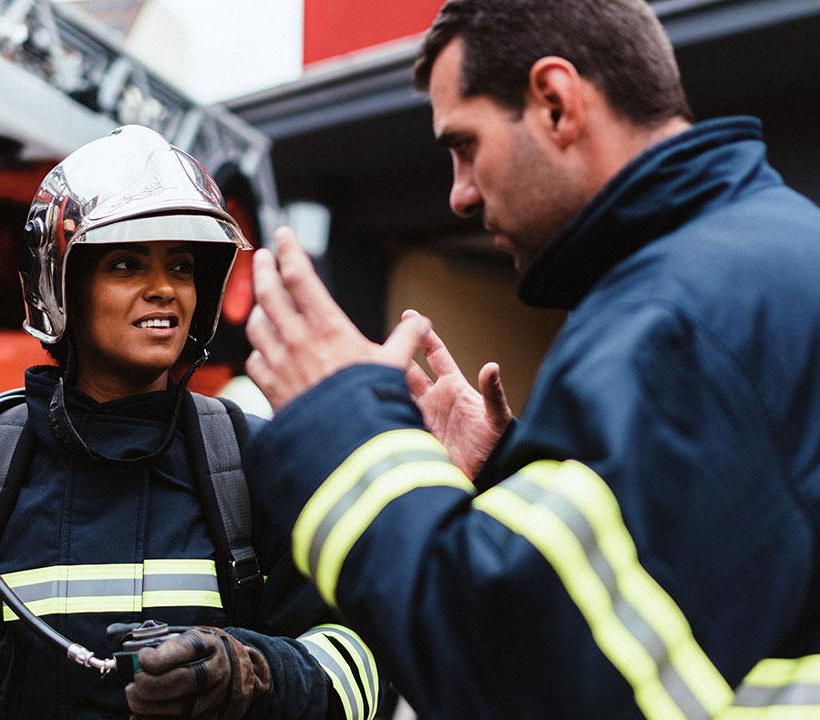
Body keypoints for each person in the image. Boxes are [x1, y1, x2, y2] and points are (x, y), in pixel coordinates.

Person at [240, 0, 820, 718]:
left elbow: (515, 677)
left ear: (555, 101)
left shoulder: (680, 320)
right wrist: (498, 486)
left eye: (465, 145)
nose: (459, 194)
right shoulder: (761, 261)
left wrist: (343, 429)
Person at [0, 126, 381, 720]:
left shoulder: (261, 469)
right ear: (61, 286)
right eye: (128, 264)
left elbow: (355, 662)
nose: (164, 290)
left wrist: (253, 673)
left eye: (181, 266)